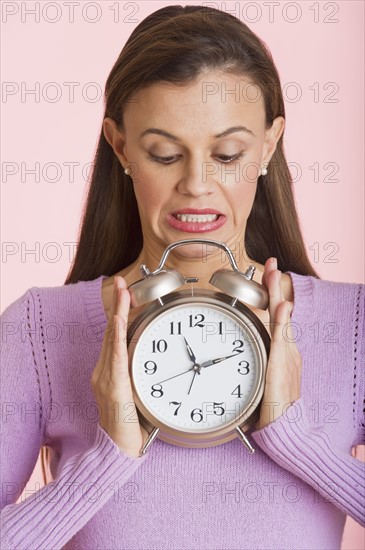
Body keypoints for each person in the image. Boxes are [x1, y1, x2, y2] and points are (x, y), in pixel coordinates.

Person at [1, 5, 364, 549]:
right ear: (121, 147)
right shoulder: (37, 330)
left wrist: (294, 437)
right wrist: (108, 460)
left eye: (227, 153)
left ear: (268, 145)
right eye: (165, 154)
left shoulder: (353, 325)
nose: (197, 183)